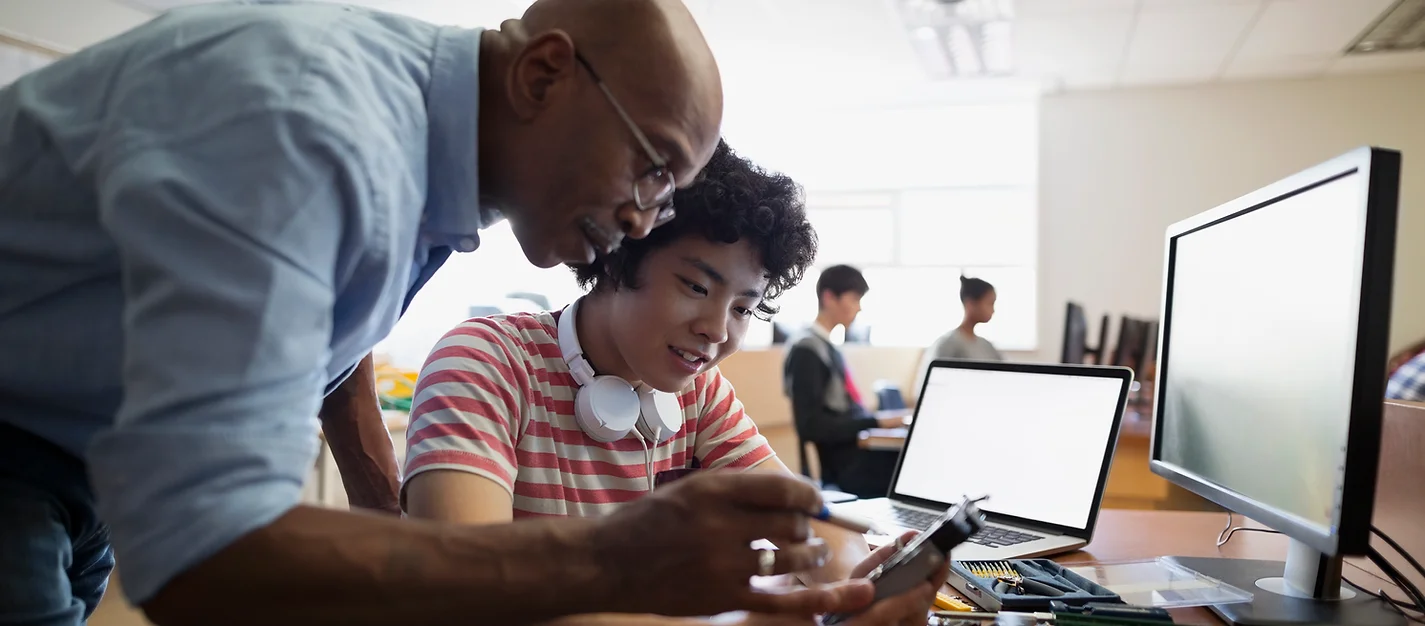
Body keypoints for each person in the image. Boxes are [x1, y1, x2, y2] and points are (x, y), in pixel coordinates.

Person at [0, 0, 864, 623]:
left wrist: (385, 508)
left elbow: (327, 345)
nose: (644, 220)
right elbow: (205, 556)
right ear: (543, 74)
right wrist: (614, 560)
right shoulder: (313, 132)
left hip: (80, 452)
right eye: (650, 169)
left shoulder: (424, 167)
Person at [402, 141, 944, 625]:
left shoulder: (698, 392)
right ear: (618, 256)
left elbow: (809, 526)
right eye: (694, 285)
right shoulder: (485, 362)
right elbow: (473, 594)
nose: (715, 329)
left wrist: (854, 588)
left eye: (742, 307)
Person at [783, 266, 904, 493]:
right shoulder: (807, 350)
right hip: (846, 466)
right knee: (907, 467)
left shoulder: (827, 347)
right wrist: (876, 422)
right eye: (855, 299)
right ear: (829, 297)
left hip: (856, 453)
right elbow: (809, 426)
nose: (858, 308)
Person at [913, 276, 1003, 398]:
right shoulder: (947, 344)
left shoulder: (987, 346)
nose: (993, 310)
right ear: (970, 304)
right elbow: (925, 390)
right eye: (990, 303)